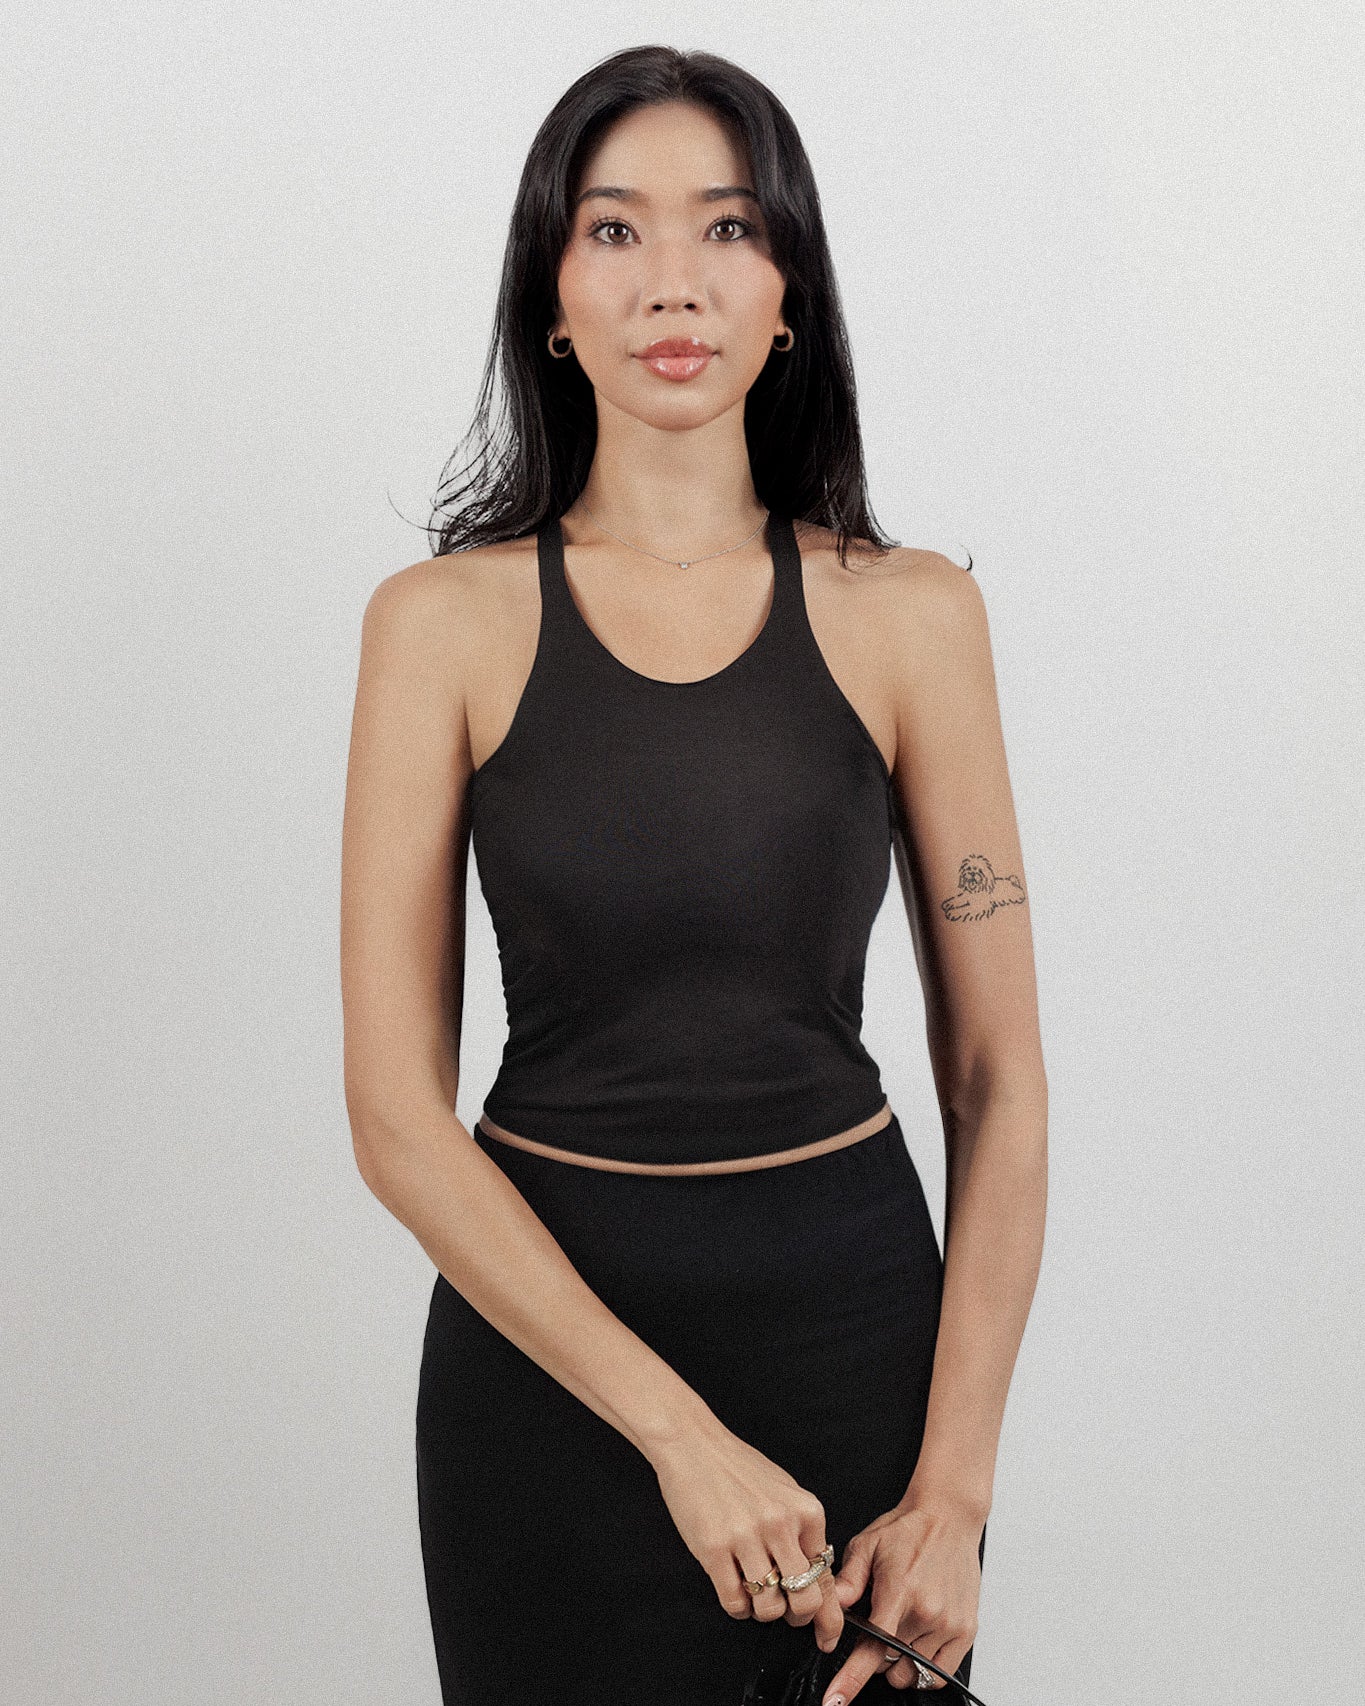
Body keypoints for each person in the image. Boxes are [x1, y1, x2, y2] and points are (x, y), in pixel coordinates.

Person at [340, 44, 1047, 1706]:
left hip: (858, 1361)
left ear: (788, 293)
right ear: (550, 294)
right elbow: (392, 1114)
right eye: (615, 230)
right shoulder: (437, 627)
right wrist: (677, 1435)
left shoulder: (911, 615)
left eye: (728, 227)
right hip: (549, 1390)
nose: (674, 280)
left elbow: (998, 1080)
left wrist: (953, 1490)